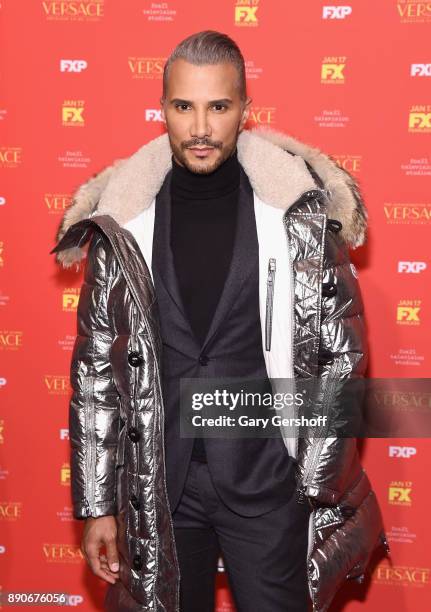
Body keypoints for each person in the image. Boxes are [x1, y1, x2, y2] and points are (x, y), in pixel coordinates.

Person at [51, 30, 388, 612]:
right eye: (184, 106)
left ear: (244, 112)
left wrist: (312, 480)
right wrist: (98, 503)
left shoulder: (296, 214)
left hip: (268, 482)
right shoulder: (122, 223)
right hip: (159, 488)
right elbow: (96, 372)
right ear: (163, 109)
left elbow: (342, 356)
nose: (200, 127)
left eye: (218, 106)